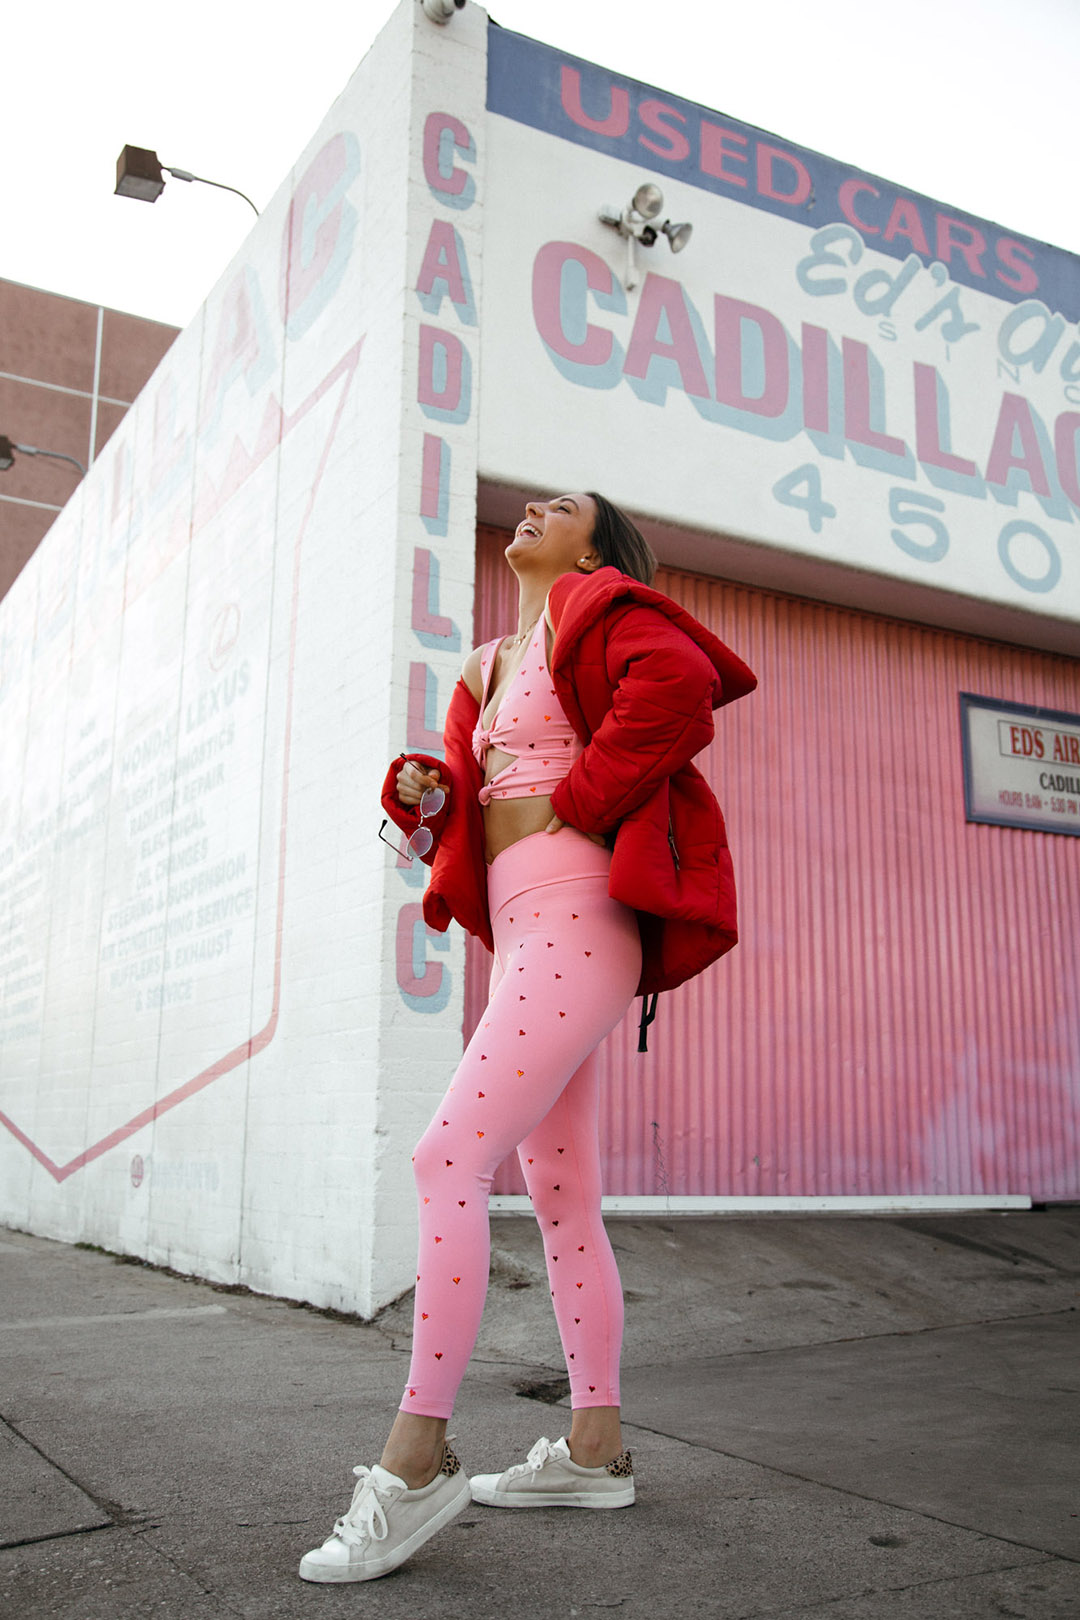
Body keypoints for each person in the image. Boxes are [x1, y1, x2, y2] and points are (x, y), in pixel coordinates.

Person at [299, 493, 756, 1584]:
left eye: (563, 506)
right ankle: (594, 1452)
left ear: (592, 546)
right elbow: (457, 807)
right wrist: (421, 793)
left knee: (445, 1156)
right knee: (561, 1198)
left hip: (584, 915)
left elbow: (686, 683)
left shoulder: (600, 611)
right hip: (526, 930)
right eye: (531, 502)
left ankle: (413, 1465)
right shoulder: (488, 664)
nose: (534, 510)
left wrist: (586, 801)